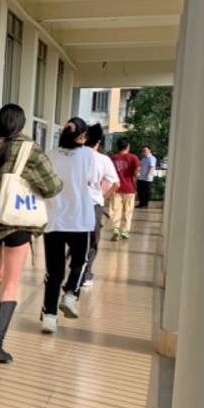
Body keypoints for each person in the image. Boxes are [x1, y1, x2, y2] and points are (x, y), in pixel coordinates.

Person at [0, 104, 63, 364]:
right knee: (10, 284)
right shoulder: (31, 151)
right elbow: (53, 186)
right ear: (20, 125)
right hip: (16, 223)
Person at [41, 119, 100, 333]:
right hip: (79, 219)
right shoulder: (88, 155)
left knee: (53, 272)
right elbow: (92, 180)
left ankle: (49, 317)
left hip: (54, 218)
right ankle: (70, 294)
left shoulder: (49, 154)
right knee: (80, 261)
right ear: (82, 136)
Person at [82, 123, 119, 289]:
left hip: (74, 205)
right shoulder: (103, 159)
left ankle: (75, 270)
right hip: (94, 204)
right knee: (92, 240)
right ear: (98, 141)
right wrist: (104, 196)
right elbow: (116, 183)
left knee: (75, 238)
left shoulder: (75, 155)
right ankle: (86, 274)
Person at [109, 138, 141, 240]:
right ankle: (125, 231)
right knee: (128, 211)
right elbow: (137, 171)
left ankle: (116, 229)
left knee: (115, 210)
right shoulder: (133, 157)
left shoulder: (113, 158)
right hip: (130, 189)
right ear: (127, 146)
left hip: (116, 188)